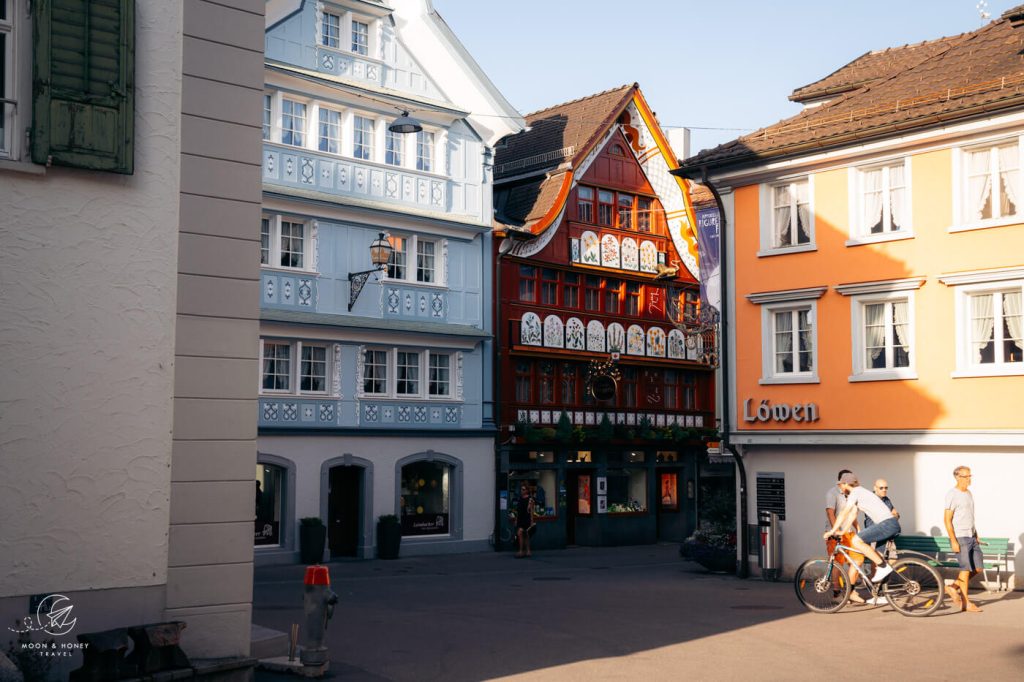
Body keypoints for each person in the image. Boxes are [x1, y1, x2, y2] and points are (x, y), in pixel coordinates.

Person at [824, 472, 901, 603]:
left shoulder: (855, 493)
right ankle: (880, 596)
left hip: (887, 524)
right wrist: (842, 532)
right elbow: (853, 514)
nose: (840, 487)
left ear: (846, 484)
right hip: (889, 524)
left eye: (841, 485)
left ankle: (883, 566)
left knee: (857, 540)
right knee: (876, 555)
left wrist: (832, 530)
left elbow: (843, 513)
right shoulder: (860, 493)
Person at [944, 466, 984, 613]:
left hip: (971, 535)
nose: (969, 479)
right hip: (960, 536)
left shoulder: (969, 493)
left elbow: (970, 517)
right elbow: (947, 520)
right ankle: (966, 603)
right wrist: (953, 540)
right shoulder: (952, 494)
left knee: (978, 568)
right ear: (957, 477)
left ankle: (953, 587)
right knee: (965, 570)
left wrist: (976, 534)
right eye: (966, 476)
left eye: (970, 476)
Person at [825, 469, 863, 597]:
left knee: (858, 559)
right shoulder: (832, 493)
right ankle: (836, 592)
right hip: (836, 533)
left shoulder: (851, 494)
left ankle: (850, 590)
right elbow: (830, 513)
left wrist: (858, 529)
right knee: (837, 562)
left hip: (849, 532)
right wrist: (835, 531)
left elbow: (852, 514)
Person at [863, 479, 900, 556]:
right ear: (875, 488)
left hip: (887, 533)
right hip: (875, 533)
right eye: (881, 488)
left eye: (886, 488)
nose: (884, 490)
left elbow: (896, 514)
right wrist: (891, 517)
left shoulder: (886, 499)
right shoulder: (870, 499)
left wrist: (893, 516)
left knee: (893, 559)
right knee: (878, 560)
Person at [514, 484, 535, 558]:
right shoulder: (520, 498)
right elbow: (518, 510)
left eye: (523, 489)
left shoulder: (530, 499)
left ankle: (524, 551)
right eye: (521, 489)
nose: (521, 491)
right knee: (523, 534)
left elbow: (532, 511)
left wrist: (532, 521)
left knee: (523, 534)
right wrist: (516, 519)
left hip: (527, 518)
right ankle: (525, 551)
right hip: (520, 518)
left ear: (527, 491)